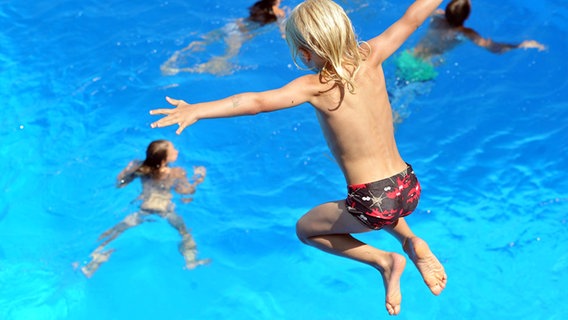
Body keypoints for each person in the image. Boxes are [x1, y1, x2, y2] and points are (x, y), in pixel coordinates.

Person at [150, 0, 447, 315]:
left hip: (374, 200)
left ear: (305, 53)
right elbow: (413, 18)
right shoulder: (373, 54)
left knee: (306, 230)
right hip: (407, 184)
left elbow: (256, 101)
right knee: (382, 209)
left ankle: (385, 261)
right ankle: (410, 242)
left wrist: (198, 109)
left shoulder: (315, 86)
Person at [80, 140, 209, 278]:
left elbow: (120, 183)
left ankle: (93, 261)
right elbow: (186, 193)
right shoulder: (177, 173)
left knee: (114, 233)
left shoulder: (140, 167)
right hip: (165, 211)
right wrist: (199, 178)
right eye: (173, 150)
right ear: (165, 159)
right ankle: (190, 260)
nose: (177, 151)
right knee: (185, 233)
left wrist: (127, 169)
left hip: (143, 210)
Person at [395, 0, 546, 83]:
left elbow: (416, 10)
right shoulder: (464, 33)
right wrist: (521, 45)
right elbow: (493, 48)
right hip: (424, 69)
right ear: (466, 17)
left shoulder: (436, 16)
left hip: (408, 58)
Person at [161, 0, 287, 76]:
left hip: (231, 25)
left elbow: (245, 20)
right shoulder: (279, 12)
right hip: (238, 34)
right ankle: (198, 68)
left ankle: (174, 58)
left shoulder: (259, 5)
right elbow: (282, 29)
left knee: (202, 42)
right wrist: (285, 36)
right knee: (228, 56)